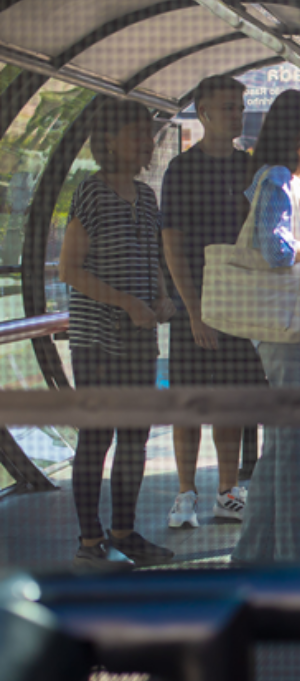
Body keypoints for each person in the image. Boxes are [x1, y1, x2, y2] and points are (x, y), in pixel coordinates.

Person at [58, 100, 177, 570]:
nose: (147, 144)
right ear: (109, 140)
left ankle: (123, 532)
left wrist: (163, 297)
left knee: (135, 437)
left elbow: (153, 261)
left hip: (139, 342)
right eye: (138, 135)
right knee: (97, 437)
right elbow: (69, 269)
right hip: (98, 340)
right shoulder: (91, 192)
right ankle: (89, 542)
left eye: (149, 136)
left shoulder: (146, 197)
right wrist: (126, 302)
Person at [231, 90, 300, 563]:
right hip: (289, 332)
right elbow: (276, 251)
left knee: (281, 448)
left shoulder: (287, 179)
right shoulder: (278, 178)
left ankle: (253, 559)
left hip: (286, 329)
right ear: (292, 128)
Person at [160, 75, 268, 529]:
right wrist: (192, 310)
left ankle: (228, 492)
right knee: (189, 403)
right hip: (195, 308)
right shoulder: (182, 169)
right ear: (202, 113)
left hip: (240, 309)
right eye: (227, 107)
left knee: (230, 402)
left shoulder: (250, 168)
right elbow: (172, 243)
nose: (236, 114)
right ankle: (185, 493)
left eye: (239, 106)